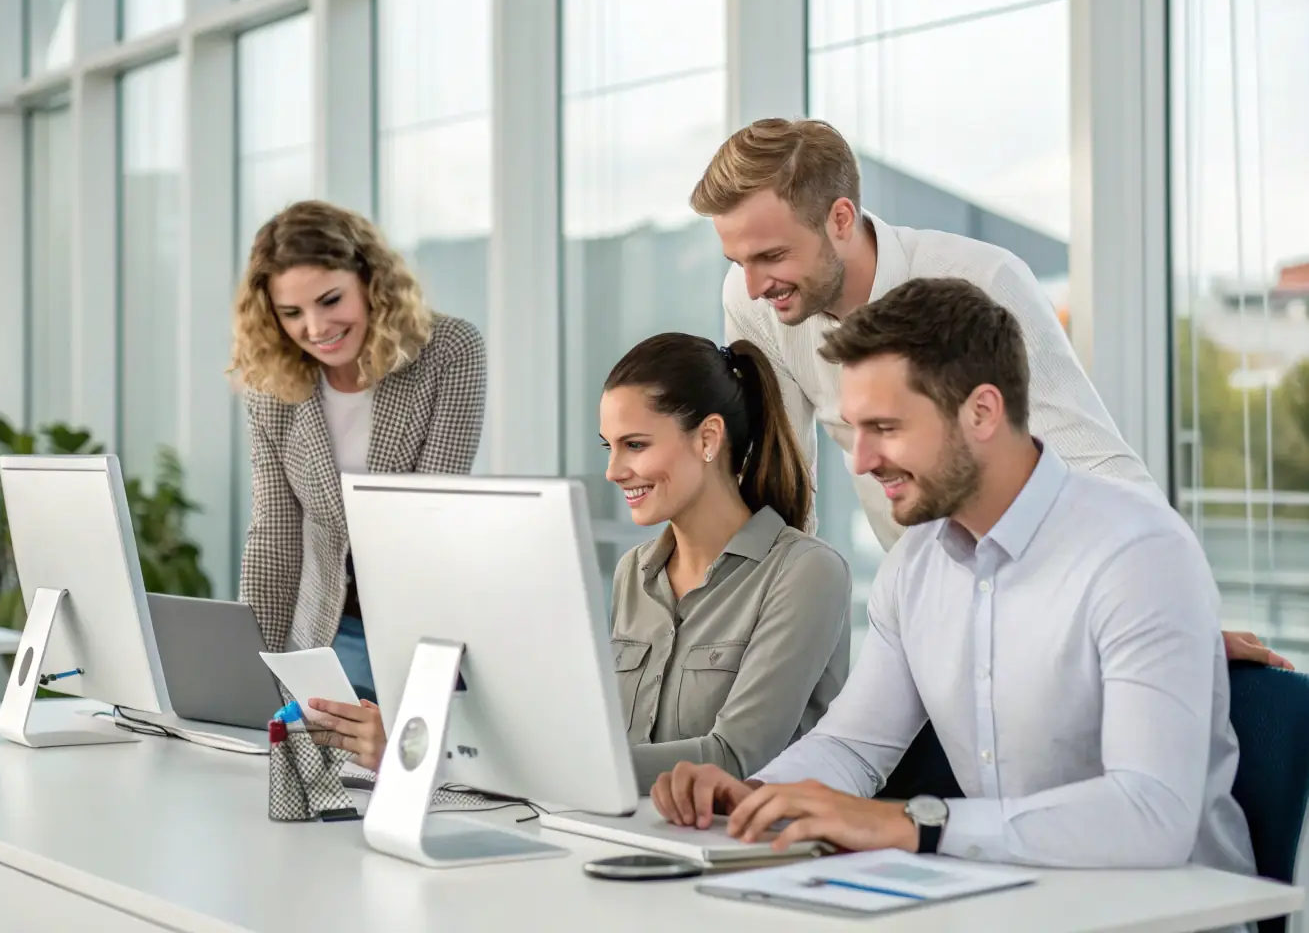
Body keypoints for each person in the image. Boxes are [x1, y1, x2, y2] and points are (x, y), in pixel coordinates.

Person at [651, 278, 1257, 881]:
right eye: (856, 429)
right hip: (1006, 899)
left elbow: (1152, 815)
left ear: (982, 412)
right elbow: (853, 746)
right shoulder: (916, 563)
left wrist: (915, 826)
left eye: (885, 428)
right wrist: (750, 794)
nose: (860, 461)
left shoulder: (1137, 553)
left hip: (1163, 913)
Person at [692, 117, 1287, 671]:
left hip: (1045, 592)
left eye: (771, 255)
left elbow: (1094, 460)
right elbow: (785, 477)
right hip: (923, 605)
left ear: (841, 219)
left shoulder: (983, 280)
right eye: (737, 259)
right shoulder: (751, 299)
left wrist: (1174, 615)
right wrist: (763, 643)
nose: (752, 282)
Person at [308, 333, 852, 790]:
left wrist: (462, 759)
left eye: (635, 445)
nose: (615, 471)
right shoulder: (634, 574)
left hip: (745, 864)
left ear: (708, 438)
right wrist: (435, 742)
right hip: (629, 843)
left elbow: (734, 759)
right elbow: (600, 738)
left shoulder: (804, 574)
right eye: (608, 447)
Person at [230, 199, 486, 703]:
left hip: (422, 619)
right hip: (327, 622)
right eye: (291, 313)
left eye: (330, 300)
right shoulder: (273, 385)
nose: (316, 328)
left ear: (371, 280)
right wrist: (246, 669)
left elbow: (427, 513)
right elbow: (275, 536)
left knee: (406, 775)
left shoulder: (449, 351)